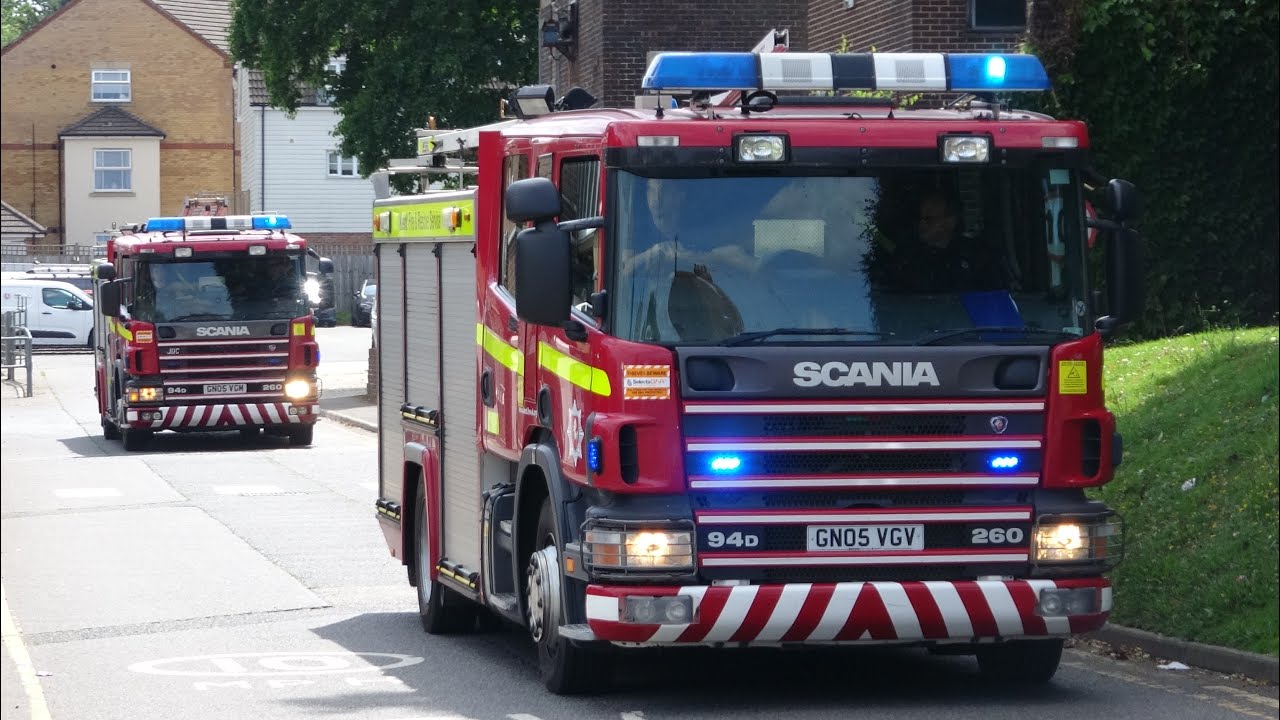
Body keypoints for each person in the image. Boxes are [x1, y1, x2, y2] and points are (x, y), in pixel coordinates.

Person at [877, 190, 1005, 293]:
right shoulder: (906, 257)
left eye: (928, 219)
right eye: (920, 219)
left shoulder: (977, 256)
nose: (921, 225)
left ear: (950, 222)